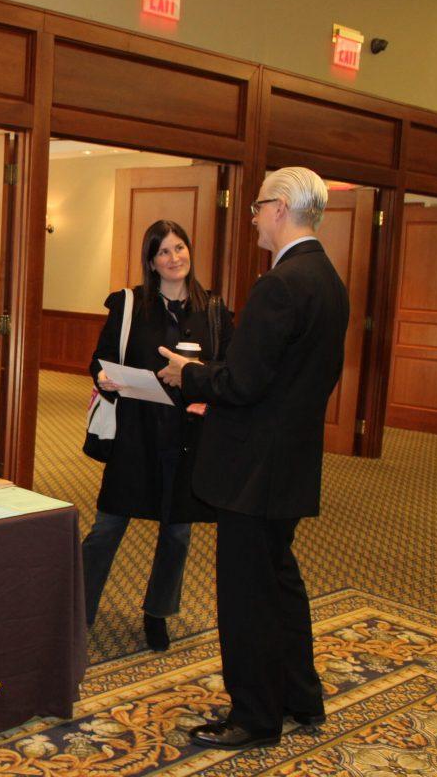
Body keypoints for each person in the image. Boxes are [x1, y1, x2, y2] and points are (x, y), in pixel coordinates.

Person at [158, 167, 348, 750]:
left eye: (259, 206)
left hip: (251, 472)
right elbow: (287, 382)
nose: (253, 217)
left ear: (283, 207)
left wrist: (188, 375)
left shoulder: (281, 284)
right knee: (279, 584)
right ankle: (300, 695)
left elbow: (241, 382)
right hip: (289, 463)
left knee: (246, 597)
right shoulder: (329, 280)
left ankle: (255, 716)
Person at [83, 220, 232, 651]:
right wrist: (105, 377)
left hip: (188, 435)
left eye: (179, 248)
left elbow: (226, 367)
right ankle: (78, 607)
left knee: (177, 532)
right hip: (137, 432)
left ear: (190, 251)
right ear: (151, 261)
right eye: (163, 252)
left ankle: (157, 614)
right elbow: (100, 359)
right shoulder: (131, 304)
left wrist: (200, 380)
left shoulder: (215, 310)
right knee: (108, 526)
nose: (174, 258)